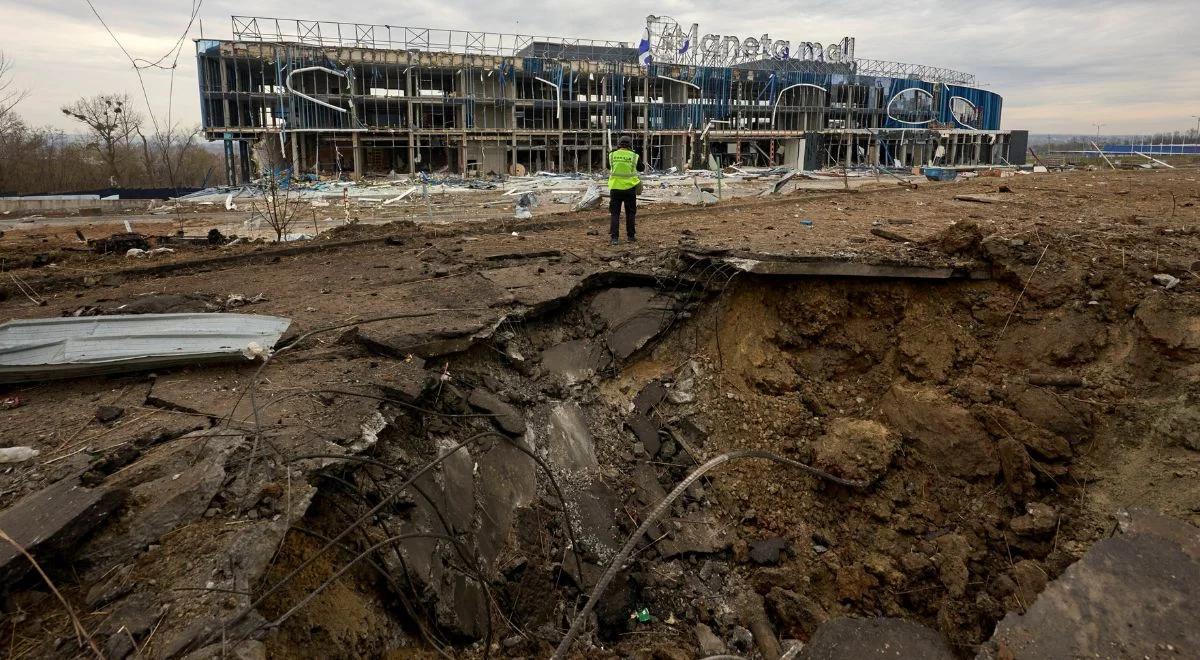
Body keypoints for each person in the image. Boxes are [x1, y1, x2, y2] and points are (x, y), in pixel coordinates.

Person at [607, 136, 644, 245]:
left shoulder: (612, 155)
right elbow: (641, 168)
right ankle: (631, 237)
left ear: (619, 144)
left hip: (615, 188)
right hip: (630, 189)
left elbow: (609, 167)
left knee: (615, 214)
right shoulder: (634, 156)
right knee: (630, 213)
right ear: (630, 145)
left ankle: (614, 239)